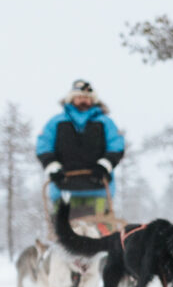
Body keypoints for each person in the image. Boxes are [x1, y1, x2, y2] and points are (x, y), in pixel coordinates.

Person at [36, 79, 125, 221]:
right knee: (65, 234)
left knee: (100, 233)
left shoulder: (105, 122)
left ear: (92, 100)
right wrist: (53, 168)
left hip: (99, 188)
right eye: (80, 97)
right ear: (72, 99)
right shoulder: (56, 122)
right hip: (64, 188)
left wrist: (103, 166)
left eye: (87, 98)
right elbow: (43, 146)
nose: (83, 101)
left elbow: (116, 146)